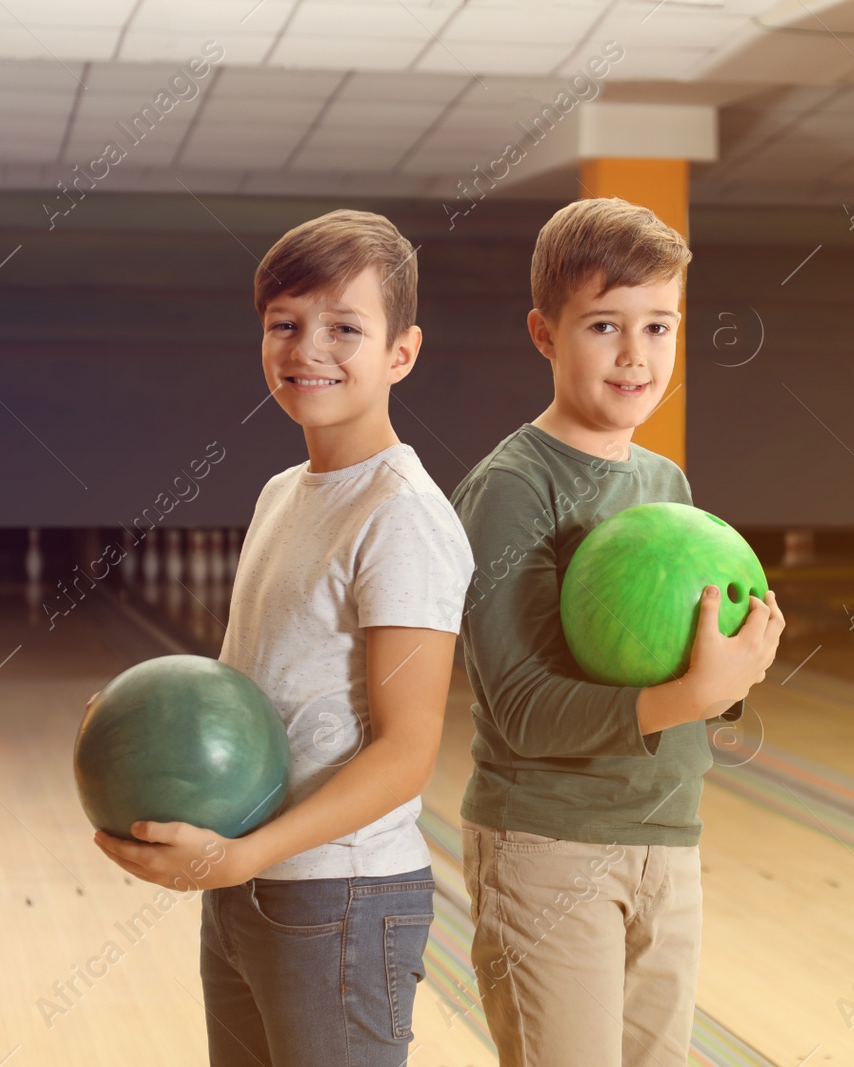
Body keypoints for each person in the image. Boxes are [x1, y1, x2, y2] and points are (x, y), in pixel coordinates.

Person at [94, 209, 474, 1066]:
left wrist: (241, 856)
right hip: (250, 885)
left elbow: (408, 750)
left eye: (345, 327)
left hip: (343, 896)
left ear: (400, 353)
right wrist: (142, 725)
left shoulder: (402, 517)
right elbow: (243, 699)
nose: (310, 348)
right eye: (285, 325)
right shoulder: (281, 492)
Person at [449, 197, 785, 1066]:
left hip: (669, 837)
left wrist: (735, 673)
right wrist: (692, 693)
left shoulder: (664, 480)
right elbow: (519, 705)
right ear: (544, 333)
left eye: (660, 326)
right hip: (548, 845)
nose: (637, 355)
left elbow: (686, 676)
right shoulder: (513, 488)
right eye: (605, 325)